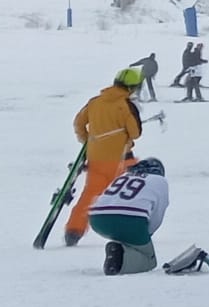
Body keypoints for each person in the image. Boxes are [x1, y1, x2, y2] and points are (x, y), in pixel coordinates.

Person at [68, 68, 145, 246]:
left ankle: (73, 230)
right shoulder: (126, 105)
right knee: (128, 194)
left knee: (89, 195)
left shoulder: (95, 102)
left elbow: (79, 122)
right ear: (132, 87)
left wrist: (87, 140)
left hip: (95, 157)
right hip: (121, 159)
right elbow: (135, 133)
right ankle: (129, 229)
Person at [91, 156, 170, 275]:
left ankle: (119, 250)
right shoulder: (159, 180)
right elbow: (158, 214)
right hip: (130, 219)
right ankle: (119, 262)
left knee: (126, 239)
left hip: (97, 217)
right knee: (149, 259)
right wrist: (146, 234)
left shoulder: (124, 175)